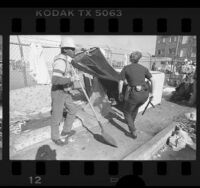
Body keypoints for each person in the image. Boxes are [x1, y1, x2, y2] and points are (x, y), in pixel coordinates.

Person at [118, 51, 154, 139]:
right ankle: (131, 123)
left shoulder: (126, 68)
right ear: (139, 59)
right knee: (135, 107)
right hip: (144, 94)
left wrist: (120, 93)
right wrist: (152, 93)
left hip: (134, 94)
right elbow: (153, 80)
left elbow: (121, 82)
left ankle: (133, 130)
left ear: (130, 58)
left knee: (126, 111)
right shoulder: (144, 68)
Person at [51, 36, 78, 146]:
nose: (73, 51)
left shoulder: (68, 61)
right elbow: (55, 80)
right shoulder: (61, 61)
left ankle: (66, 130)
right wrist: (71, 79)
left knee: (73, 110)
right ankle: (55, 137)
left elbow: (66, 75)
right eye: (72, 49)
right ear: (65, 49)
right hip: (58, 92)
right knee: (57, 116)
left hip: (65, 91)